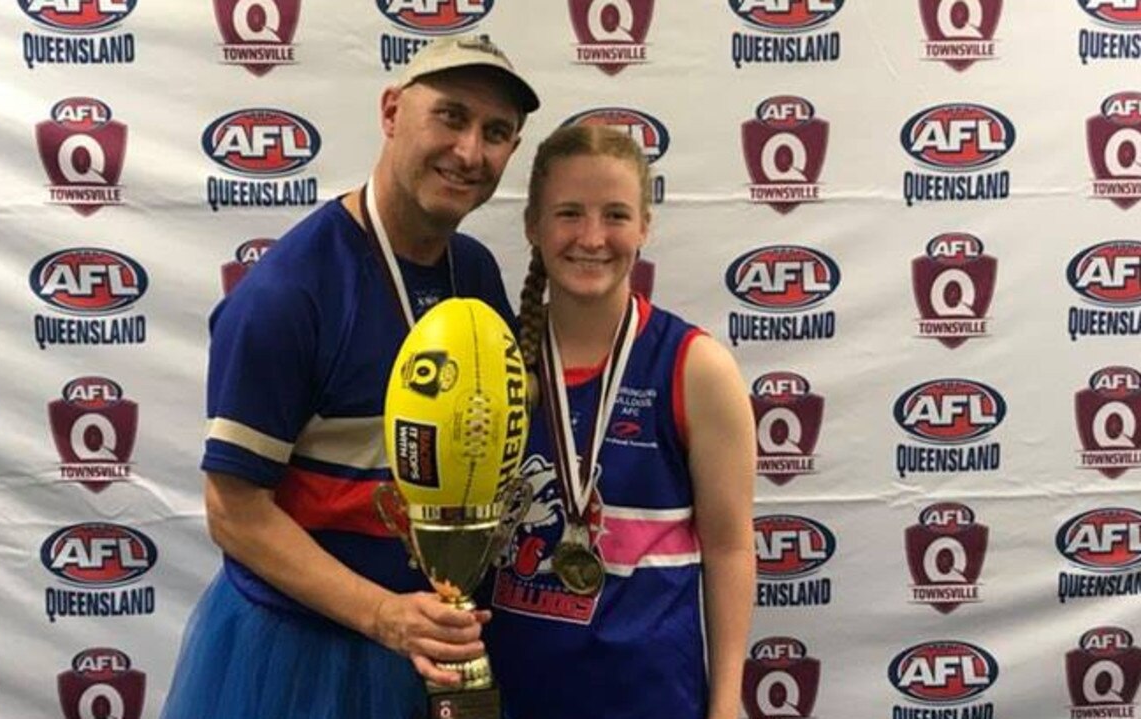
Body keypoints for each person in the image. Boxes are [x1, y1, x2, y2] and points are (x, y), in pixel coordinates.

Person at [161, 35, 539, 719]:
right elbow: (234, 510)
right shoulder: (290, 291)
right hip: (303, 657)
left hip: (435, 643)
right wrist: (385, 616)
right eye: (450, 116)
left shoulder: (476, 274)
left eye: (496, 132)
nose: (469, 151)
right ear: (392, 112)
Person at [484, 125, 756, 719]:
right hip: (512, 697)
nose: (592, 237)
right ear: (533, 225)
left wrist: (727, 703)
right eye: (568, 214)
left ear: (644, 227)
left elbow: (731, 546)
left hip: (651, 698)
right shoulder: (493, 364)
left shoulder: (693, 366)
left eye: (615, 215)